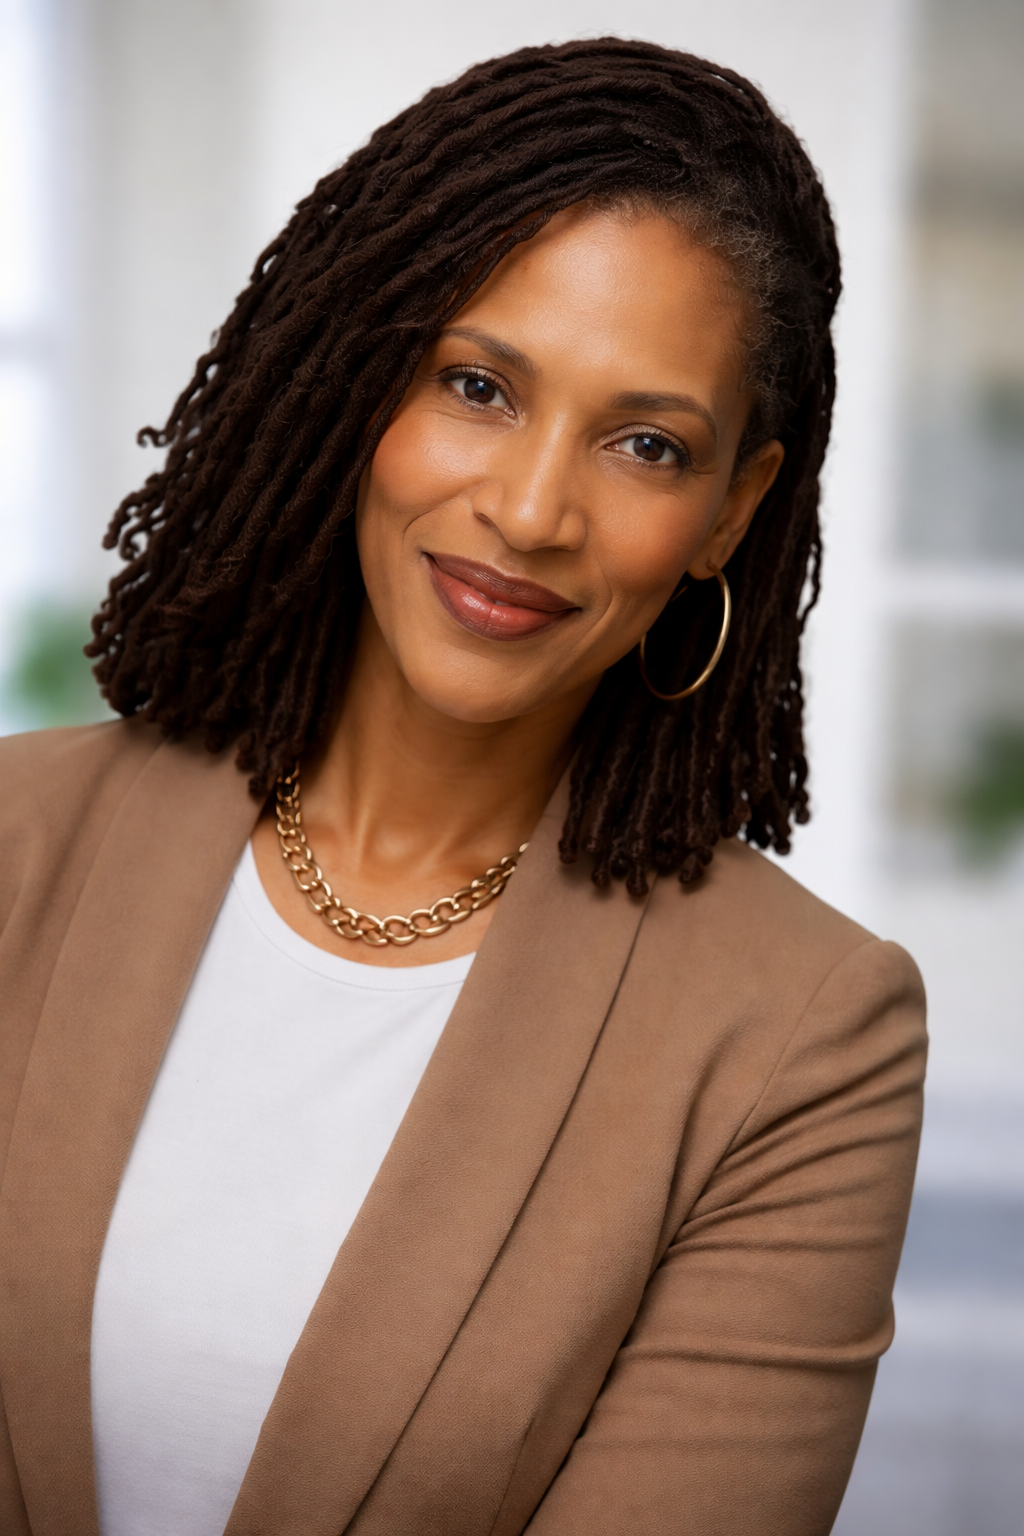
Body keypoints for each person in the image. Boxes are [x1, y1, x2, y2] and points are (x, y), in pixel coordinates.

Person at [0, 37, 926, 1536]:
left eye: (644, 442)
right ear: (359, 375)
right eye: (480, 385)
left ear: (727, 513)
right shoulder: (17, 847)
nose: (532, 508)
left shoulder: (805, 1043)